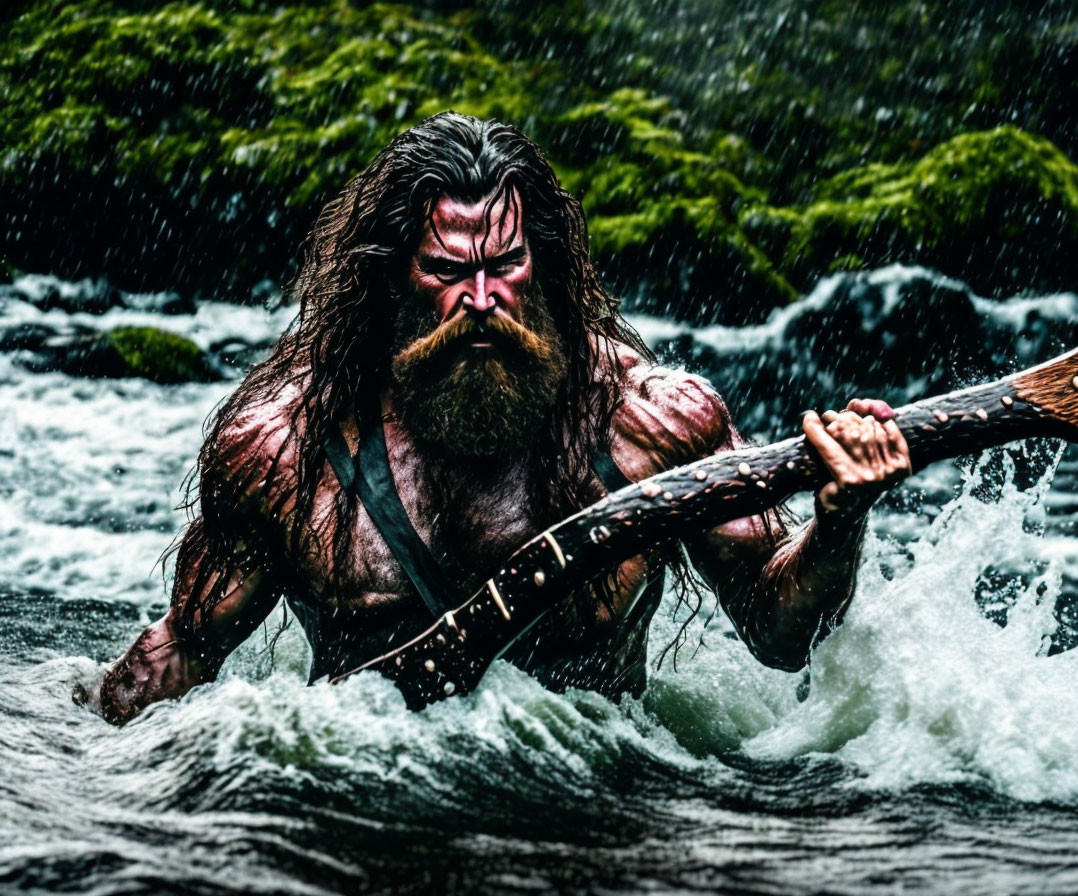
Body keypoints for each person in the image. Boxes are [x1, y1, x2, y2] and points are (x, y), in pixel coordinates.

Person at [97, 113, 911, 725]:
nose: (481, 302)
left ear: (545, 267)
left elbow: (781, 635)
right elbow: (183, 655)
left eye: (505, 265)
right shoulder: (283, 452)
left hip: (595, 808)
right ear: (392, 281)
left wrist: (840, 523)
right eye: (448, 270)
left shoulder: (650, 424)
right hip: (367, 819)